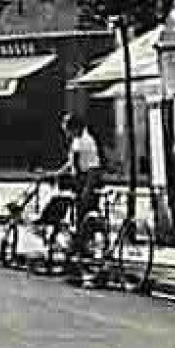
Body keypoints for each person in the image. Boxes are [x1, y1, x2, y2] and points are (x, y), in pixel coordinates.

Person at [55, 113, 104, 277]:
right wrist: (58, 173)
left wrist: (86, 191)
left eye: (66, 129)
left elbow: (92, 170)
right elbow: (71, 164)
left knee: (83, 223)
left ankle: (79, 259)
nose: (65, 133)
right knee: (76, 220)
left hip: (86, 183)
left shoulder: (85, 142)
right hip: (79, 182)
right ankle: (76, 257)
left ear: (74, 128)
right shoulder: (79, 140)